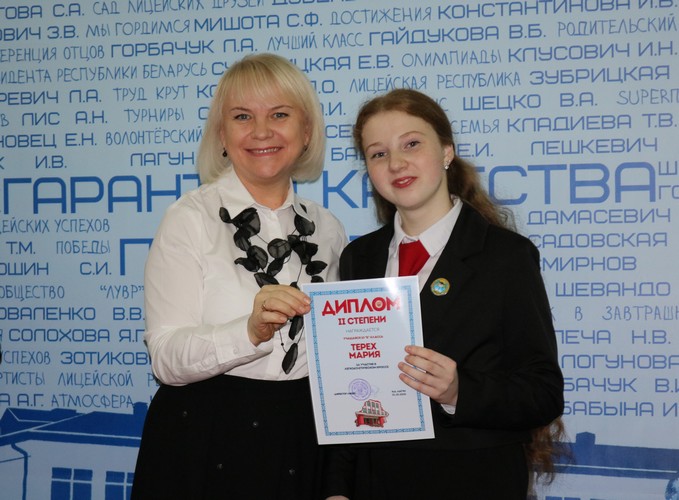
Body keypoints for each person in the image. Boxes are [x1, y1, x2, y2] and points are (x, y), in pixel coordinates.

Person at [322, 88, 565, 500]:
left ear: (447, 151)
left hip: (474, 480)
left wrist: (459, 391)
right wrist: (337, 488)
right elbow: (348, 385)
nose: (396, 163)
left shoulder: (505, 256)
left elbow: (543, 393)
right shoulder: (358, 258)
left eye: (411, 144)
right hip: (375, 480)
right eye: (378, 154)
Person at [131, 53, 347, 500]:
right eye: (243, 116)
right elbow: (165, 358)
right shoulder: (189, 218)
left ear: (307, 131)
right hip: (205, 438)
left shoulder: (329, 228)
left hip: (304, 436)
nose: (262, 131)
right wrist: (247, 332)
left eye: (280, 115)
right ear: (222, 135)